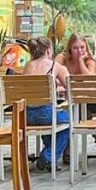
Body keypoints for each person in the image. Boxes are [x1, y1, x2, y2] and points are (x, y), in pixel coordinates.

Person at [22, 37, 70, 170]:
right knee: (69, 121)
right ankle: (47, 156)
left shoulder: (27, 66)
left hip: (26, 115)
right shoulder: (55, 66)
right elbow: (71, 88)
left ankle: (49, 160)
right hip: (45, 113)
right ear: (49, 50)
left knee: (50, 123)